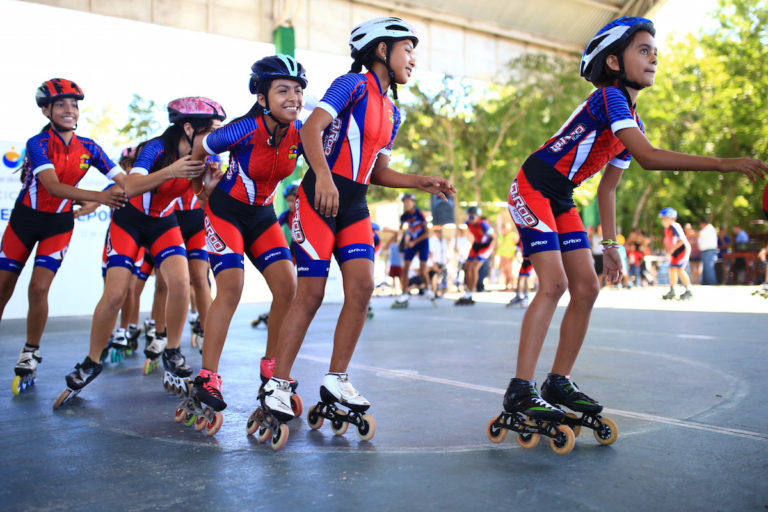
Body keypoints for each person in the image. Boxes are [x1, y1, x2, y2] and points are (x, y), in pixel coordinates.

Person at [497, 17, 767, 441]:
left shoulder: (630, 122)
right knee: (554, 285)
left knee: (586, 287)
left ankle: (558, 382)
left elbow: (608, 190)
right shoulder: (608, 99)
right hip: (533, 184)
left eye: (654, 50)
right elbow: (649, 157)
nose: (653, 56)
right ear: (614, 62)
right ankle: (519, 390)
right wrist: (724, 163)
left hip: (563, 194)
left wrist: (611, 245)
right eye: (643, 49)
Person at [263, 17, 455, 433]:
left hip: (355, 204)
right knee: (310, 293)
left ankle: (336, 380)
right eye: (407, 49)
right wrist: (325, 177)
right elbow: (312, 129)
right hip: (318, 196)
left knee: (363, 288)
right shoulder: (350, 84)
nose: (413, 60)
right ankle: (276, 383)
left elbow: (377, 170)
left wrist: (420, 181)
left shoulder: (394, 111)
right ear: (382, 50)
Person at [55, 96, 225, 407]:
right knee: (117, 293)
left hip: (163, 223)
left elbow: (199, 200)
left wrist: (209, 188)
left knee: (181, 282)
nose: (218, 138)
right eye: (212, 130)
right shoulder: (156, 148)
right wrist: (172, 170)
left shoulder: (206, 158)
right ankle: (92, 361)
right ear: (188, 128)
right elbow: (131, 187)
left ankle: (172, 350)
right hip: (129, 222)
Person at [186, 55, 306, 420]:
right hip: (225, 211)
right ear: (261, 97)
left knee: (288, 287)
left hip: (262, 215)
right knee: (232, 287)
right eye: (282, 90)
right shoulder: (241, 128)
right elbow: (202, 148)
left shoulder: (301, 132)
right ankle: (207, 376)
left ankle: (270, 367)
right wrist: (200, 191)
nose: (293, 97)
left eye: (298, 90)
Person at [1, 79, 128, 395]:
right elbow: (53, 187)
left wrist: (156, 177)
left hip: (58, 224)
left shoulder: (90, 147)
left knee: (38, 287)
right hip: (24, 221)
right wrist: (98, 197)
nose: (69, 110)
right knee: (3, 286)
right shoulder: (37, 143)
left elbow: (124, 181)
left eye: (74, 105)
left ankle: (31, 350)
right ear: (46, 110)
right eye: (61, 105)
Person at [393, 193, 433, 307]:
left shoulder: (420, 215)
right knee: (405, 268)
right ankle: (405, 292)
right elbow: (400, 230)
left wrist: (414, 242)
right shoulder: (404, 216)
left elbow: (427, 233)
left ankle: (427, 288)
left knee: (423, 269)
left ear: (414, 203)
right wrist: (401, 239)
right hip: (410, 244)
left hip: (422, 242)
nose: (406, 204)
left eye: (408, 201)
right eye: (405, 202)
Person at [456, 206, 494, 305]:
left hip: (485, 246)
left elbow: (494, 238)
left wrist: (491, 252)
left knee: (474, 268)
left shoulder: (483, 225)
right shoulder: (467, 223)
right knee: (467, 267)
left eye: (472, 217)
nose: (470, 219)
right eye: (468, 216)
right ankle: (468, 290)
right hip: (476, 245)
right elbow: (470, 234)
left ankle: (472, 291)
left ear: (477, 217)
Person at [698, 218, 718, 285]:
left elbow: (698, 234)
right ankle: (706, 282)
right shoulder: (707, 229)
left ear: (703, 223)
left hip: (709, 251)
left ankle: (711, 283)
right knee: (706, 268)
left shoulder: (709, 228)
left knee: (709, 267)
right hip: (706, 251)